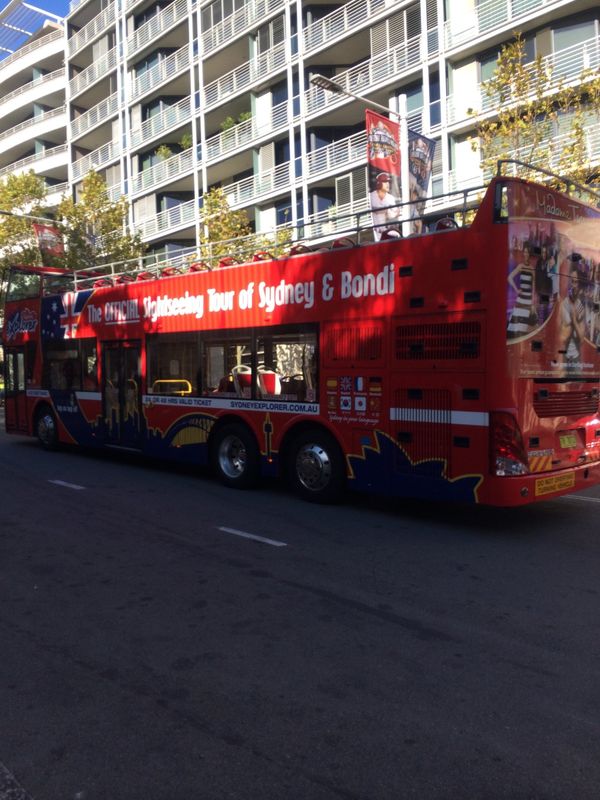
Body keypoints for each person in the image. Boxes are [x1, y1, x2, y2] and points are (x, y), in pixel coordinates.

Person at [506, 243, 537, 338]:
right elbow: (509, 277)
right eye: (525, 252)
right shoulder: (520, 266)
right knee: (516, 326)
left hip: (528, 300)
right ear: (523, 253)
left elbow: (533, 287)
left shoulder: (532, 269)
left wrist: (532, 303)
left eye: (527, 252)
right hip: (520, 298)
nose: (526, 254)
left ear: (529, 254)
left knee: (525, 327)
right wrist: (516, 290)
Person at [560, 266, 586, 372]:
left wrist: (575, 320)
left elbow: (582, 339)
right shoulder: (564, 304)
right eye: (572, 281)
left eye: (576, 282)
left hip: (576, 359)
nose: (574, 285)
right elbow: (564, 336)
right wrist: (574, 320)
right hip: (564, 359)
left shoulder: (580, 306)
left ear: (579, 285)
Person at [369, 172, 400, 241]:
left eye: (388, 182)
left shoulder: (390, 198)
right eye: (385, 182)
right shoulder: (371, 196)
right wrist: (387, 209)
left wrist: (391, 212)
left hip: (386, 232)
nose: (387, 184)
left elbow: (394, 213)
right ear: (379, 183)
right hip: (374, 231)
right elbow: (374, 209)